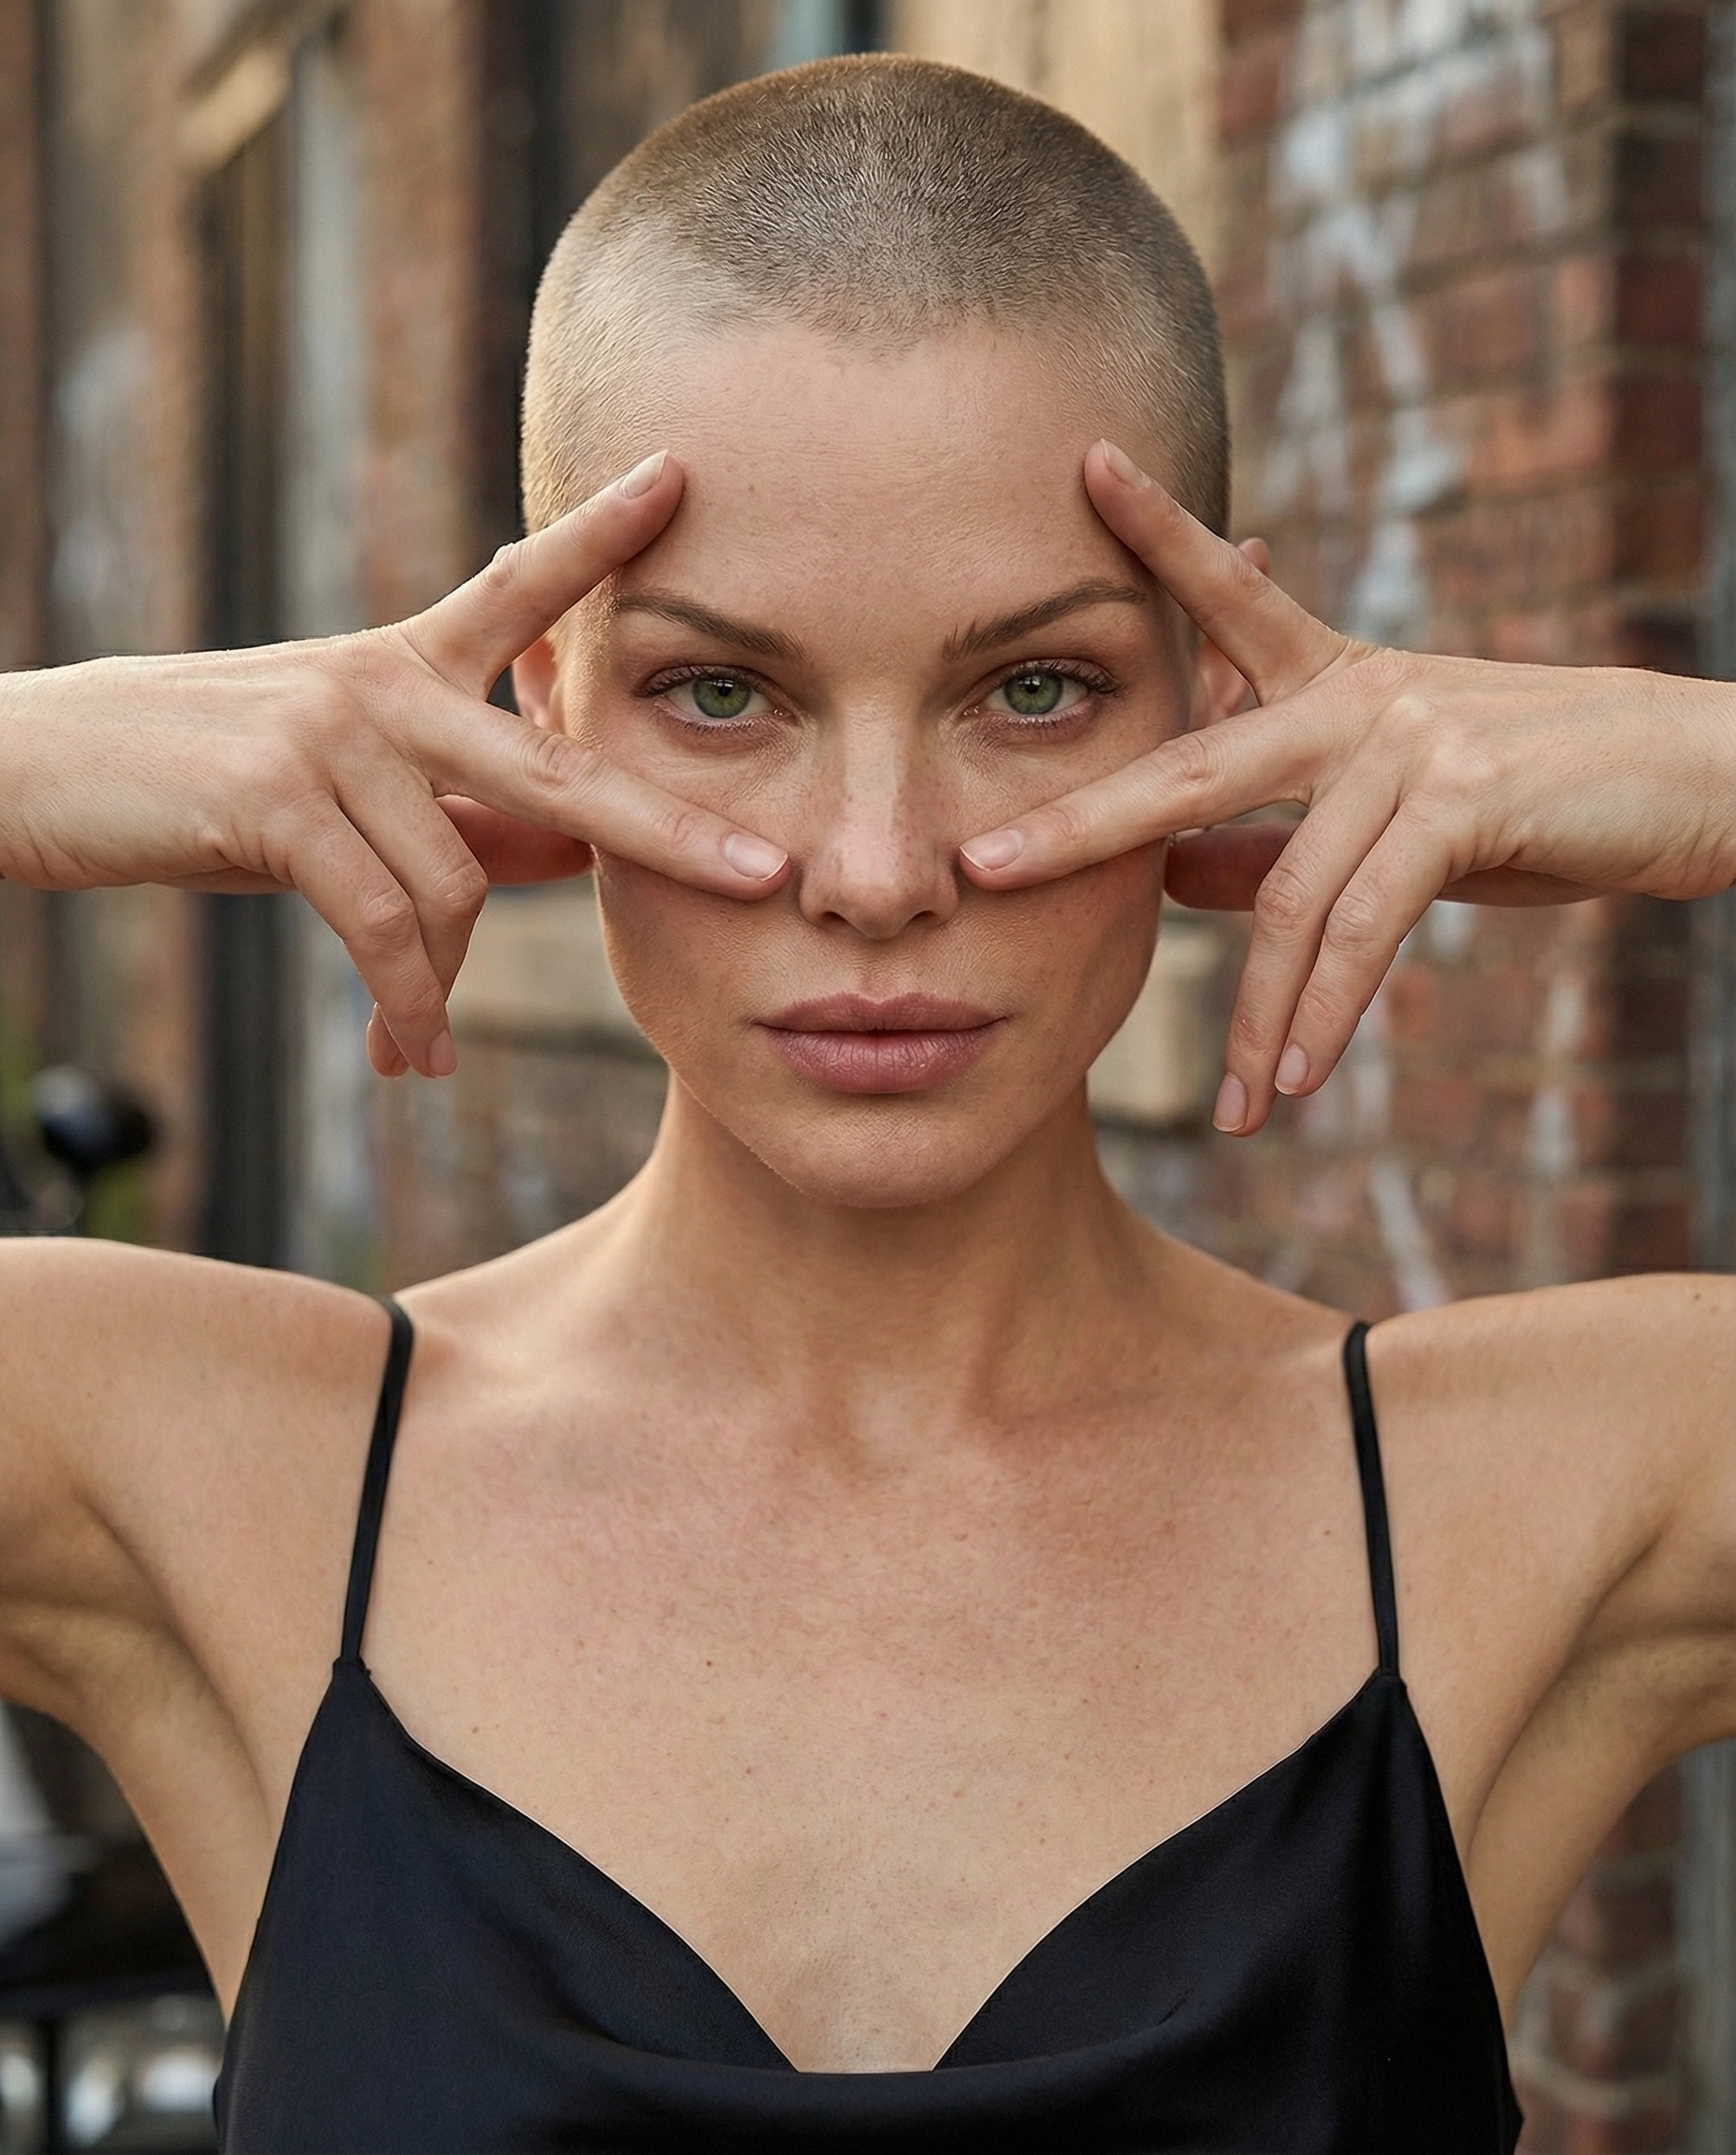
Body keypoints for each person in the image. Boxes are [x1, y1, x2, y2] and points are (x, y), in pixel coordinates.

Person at [0, 51, 1733, 2154]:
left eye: (1035, 689)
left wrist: (1710, 778)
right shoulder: (206, 1463)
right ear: (537, 708)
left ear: (1219, 695)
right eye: (717, 692)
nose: (878, 867)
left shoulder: (1537, 1494)